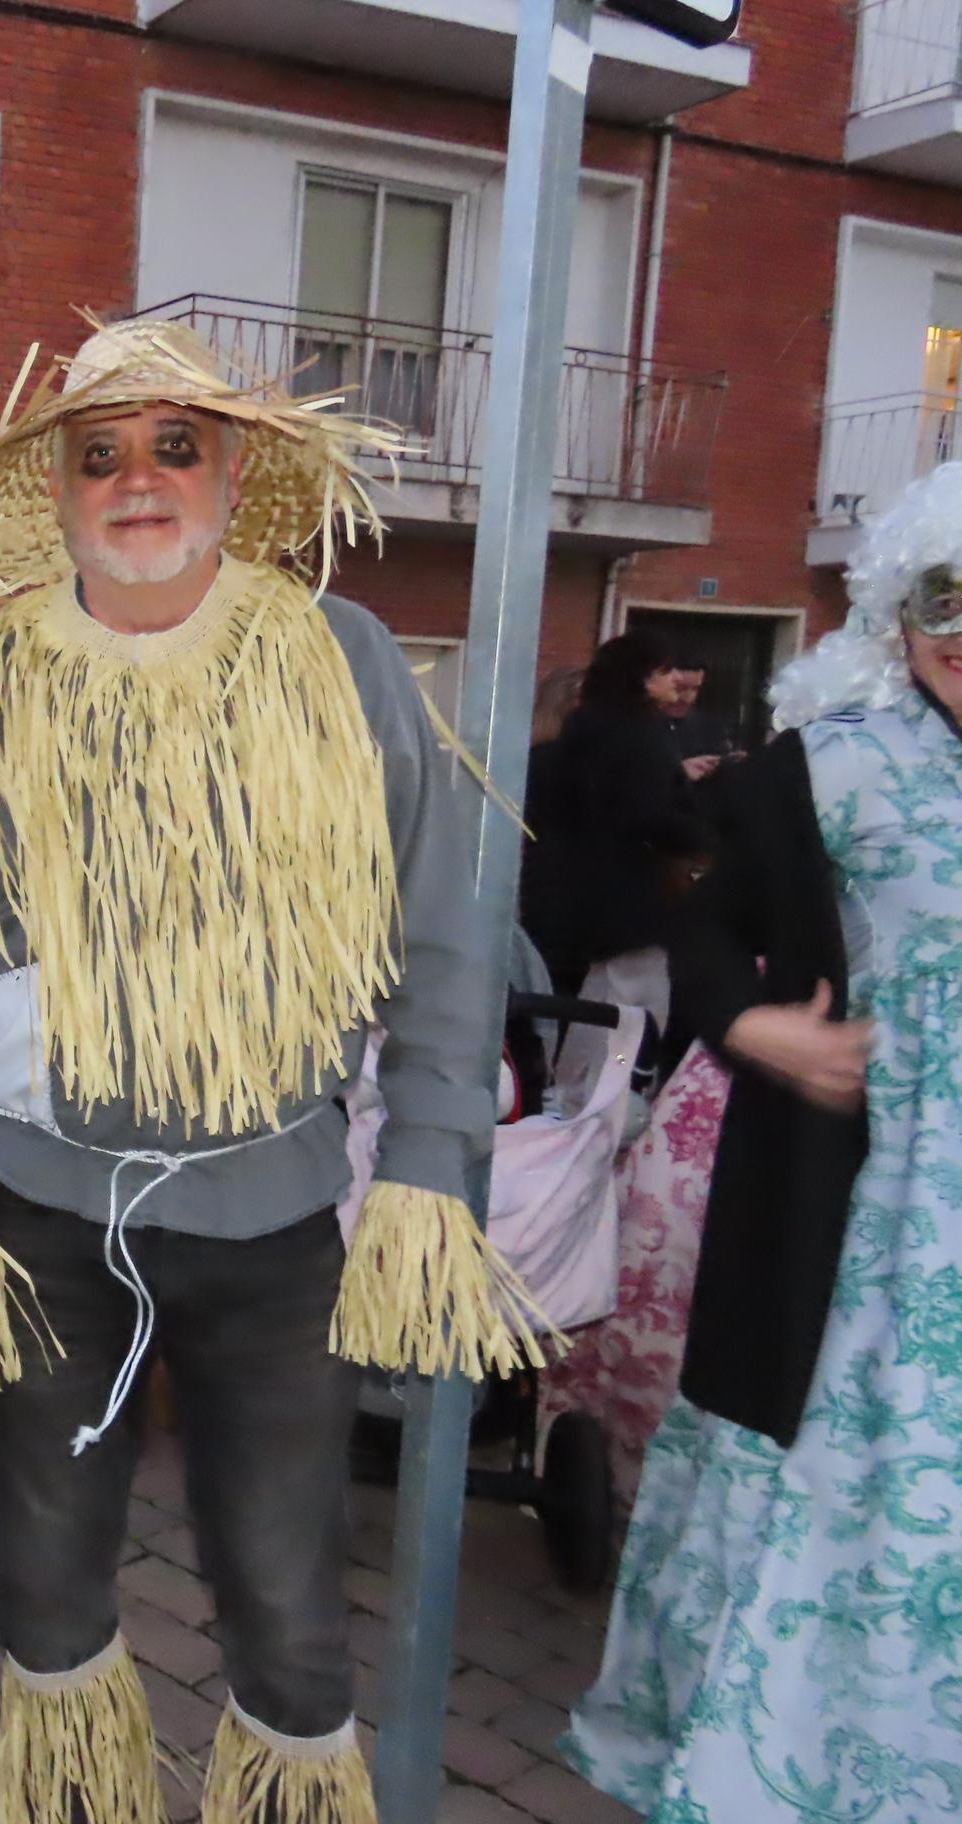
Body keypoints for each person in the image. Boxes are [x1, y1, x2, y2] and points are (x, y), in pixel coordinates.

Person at [0, 319, 518, 1824]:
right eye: (101, 456)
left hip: (275, 1218)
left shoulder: (337, 657)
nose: (137, 481)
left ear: (232, 471)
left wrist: (423, 1162)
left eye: (173, 447)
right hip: (35, 1213)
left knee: (286, 1597)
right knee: (46, 1577)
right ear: (65, 493)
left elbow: (444, 926)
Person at [565, 463, 962, 1820]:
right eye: (945, 600)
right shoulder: (839, 766)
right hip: (874, 1220)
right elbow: (697, 912)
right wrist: (752, 1026)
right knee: (855, 1478)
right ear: (900, 619)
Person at [518, 628, 709, 995]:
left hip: (562, 901)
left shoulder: (581, 732)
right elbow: (647, 814)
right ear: (640, 677)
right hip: (626, 906)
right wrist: (706, 836)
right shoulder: (639, 735)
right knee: (622, 1021)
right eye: (665, 670)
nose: (677, 678)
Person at [658, 655, 736, 780]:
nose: (688, 698)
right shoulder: (638, 726)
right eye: (680, 688)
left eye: (695, 689)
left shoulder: (711, 727)